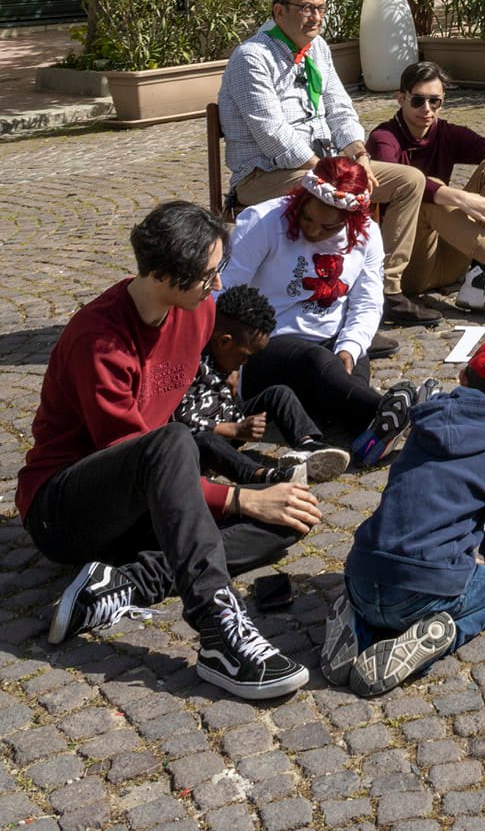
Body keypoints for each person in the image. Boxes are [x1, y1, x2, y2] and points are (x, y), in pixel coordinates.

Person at [20, 201, 316, 701]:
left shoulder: (198, 313)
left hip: (141, 500)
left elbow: (182, 414)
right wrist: (239, 498)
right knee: (185, 451)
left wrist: (237, 459)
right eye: (208, 275)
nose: (217, 286)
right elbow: (143, 450)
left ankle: (124, 586)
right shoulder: (99, 339)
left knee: (288, 517)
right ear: (163, 274)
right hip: (64, 509)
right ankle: (218, 633)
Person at [323, 336, 485, 698]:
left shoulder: (422, 423)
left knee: (383, 584)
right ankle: (432, 639)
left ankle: (356, 623)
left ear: (461, 377)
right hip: (421, 596)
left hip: (361, 577)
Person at [217, 0, 430, 328]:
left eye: (320, 9)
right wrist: (328, 175)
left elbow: (339, 108)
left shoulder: (318, 48)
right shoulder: (251, 58)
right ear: (279, 11)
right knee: (328, 197)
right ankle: (327, 305)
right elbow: (274, 135)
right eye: (306, 9)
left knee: (410, 180)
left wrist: (359, 155)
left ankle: (386, 290)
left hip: (324, 166)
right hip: (265, 175)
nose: (315, 17)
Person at [217, 159, 431, 470]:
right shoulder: (263, 221)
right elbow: (222, 293)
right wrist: (226, 362)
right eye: (306, 218)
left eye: (328, 226)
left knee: (340, 398)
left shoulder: (367, 234)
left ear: (350, 221)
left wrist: (351, 347)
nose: (314, 230)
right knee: (317, 365)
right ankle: (411, 419)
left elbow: (367, 302)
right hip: (267, 343)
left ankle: (375, 439)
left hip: (332, 341)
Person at [365, 62, 485, 314]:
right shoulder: (384, 139)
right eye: (418, 101)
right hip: (411, 267)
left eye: (435, 101)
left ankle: (481, 273)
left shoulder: (443, 133)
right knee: (430, 191)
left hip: (455, 257)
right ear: (401, 98)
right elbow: (408, 186)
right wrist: (461, 199)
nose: (427, 109)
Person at [173, 283, 350, 485]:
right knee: (206, 441)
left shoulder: (224, 354)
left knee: (279, 394)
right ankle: (262, 476)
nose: (245, 363)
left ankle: (307, 444)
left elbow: (233, 372)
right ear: (223, 342)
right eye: (245, 357)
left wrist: (234, 372)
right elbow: (181, 418)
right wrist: (233, 430)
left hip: (232, 416)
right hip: (207, 438)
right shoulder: (190, 362)